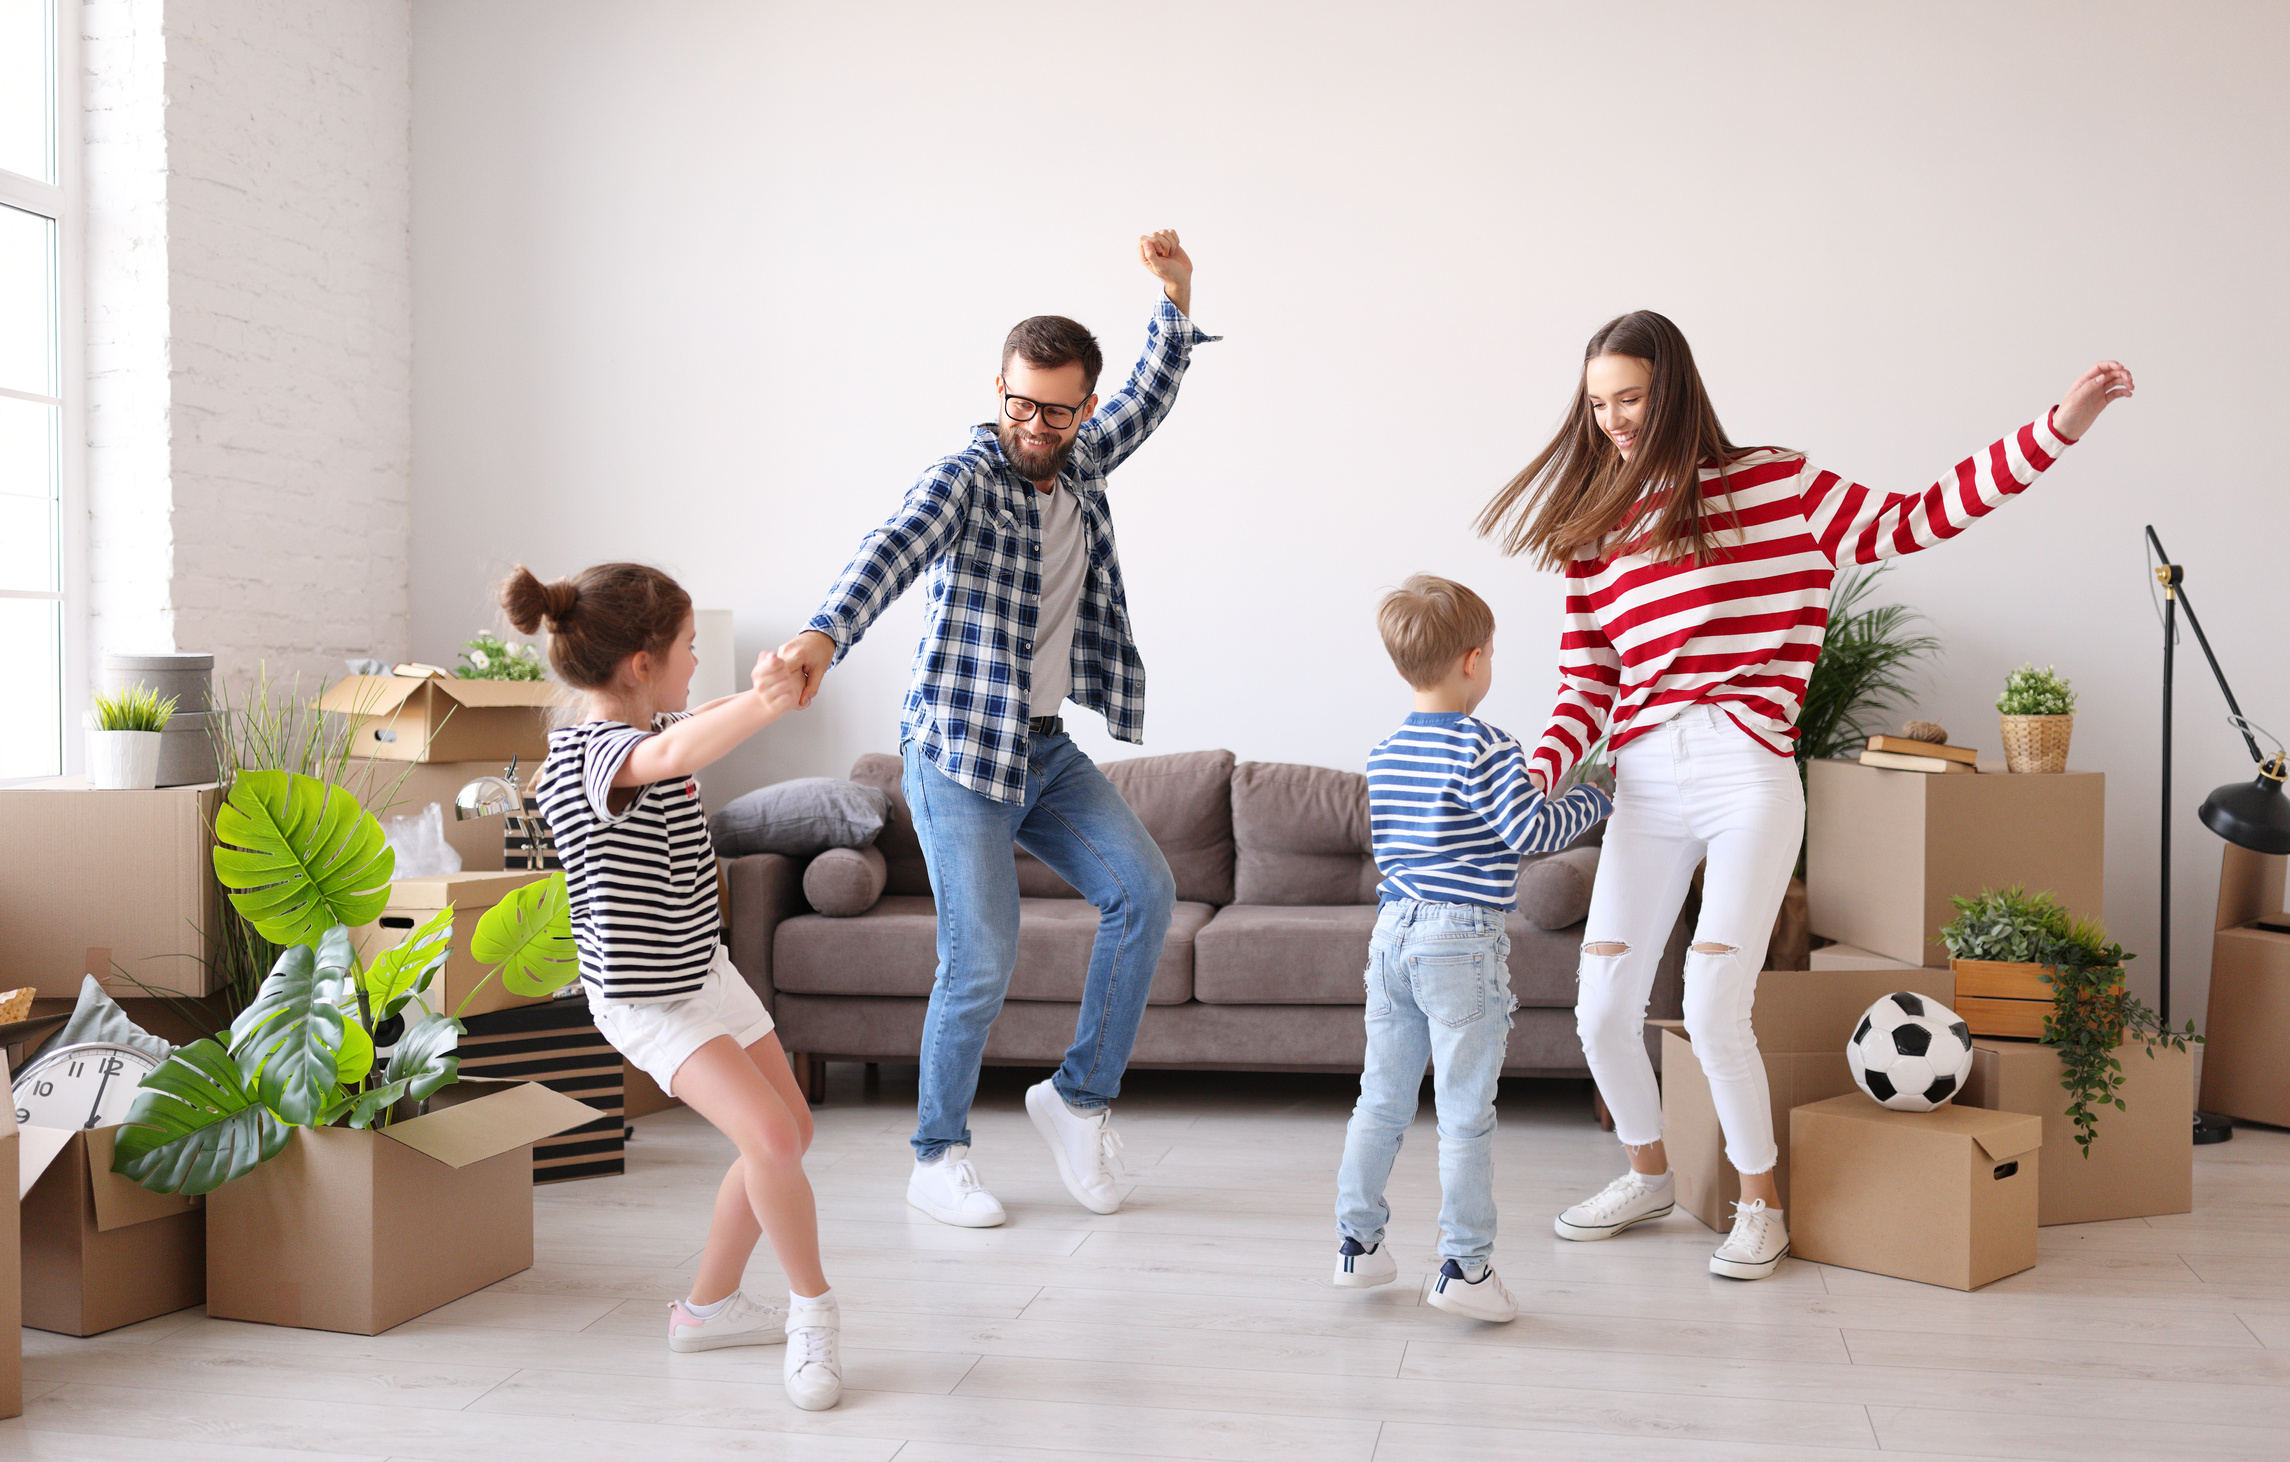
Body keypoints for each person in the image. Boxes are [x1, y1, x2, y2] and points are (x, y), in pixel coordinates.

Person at [1477, 311, 2134, 1280]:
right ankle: (1648, 1175)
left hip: (1746, 774)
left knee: (1713, 1004)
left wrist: (2060, 424)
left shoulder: (1776, 485)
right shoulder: (1593, 531)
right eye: (1599, 404)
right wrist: (1543, 766)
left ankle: (1762, 1207)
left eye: (1631, 398)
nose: (1613, 420)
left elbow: (1919, 516)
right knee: (1602, 1011)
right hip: (1644, 783)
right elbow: (1586, 685)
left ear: (1674, 390)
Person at [777, 231, 1217, 1227]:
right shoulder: (966, 478)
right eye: (1019, 403)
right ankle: (936, 1156)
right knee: (981, 954)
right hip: (955, 752)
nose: (1033, 425)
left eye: (1055, 410)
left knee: (1145, 891)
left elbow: (1151, 393)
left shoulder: (1084, 459)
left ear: (1081, 410)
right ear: (999, 388)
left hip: (1042, 746)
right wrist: (820, 635)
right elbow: (889, 549)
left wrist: (1177, 298)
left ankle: (1077, 1099)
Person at [503, 563, 844, 1410]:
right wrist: (766, 704)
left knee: (788, 1133)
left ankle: (709, 1310)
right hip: (648, 1001)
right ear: (641, 663)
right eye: (689, 646)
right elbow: (668, 754)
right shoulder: (592, 756)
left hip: (702, 971)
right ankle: (815, 1315)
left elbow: (696, 725)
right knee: (772, 1139)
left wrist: (774, 683)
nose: (697, 661)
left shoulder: (654, 723)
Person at [1333, 575, 1613, 1321]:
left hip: (1391, 934)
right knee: (1464, 1112)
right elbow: (1530, 832)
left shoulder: (1385, 752)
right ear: (1473, 660)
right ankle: (1465, 1267)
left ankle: (1357, 1246)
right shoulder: (1487, 746)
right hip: (1459, 939)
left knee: (1380, 1100)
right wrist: (1595, 795)